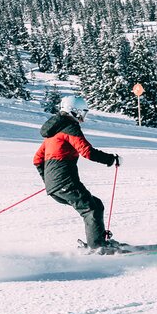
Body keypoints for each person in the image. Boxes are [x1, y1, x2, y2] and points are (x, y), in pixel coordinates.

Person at [33, 95, 123, 254]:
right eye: (82, 113)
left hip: (57, 185)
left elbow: (37, 159)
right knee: (90, 210)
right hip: (65, 182)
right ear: (73, 112)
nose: (83, 117)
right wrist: (110, 159)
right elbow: (87, 152)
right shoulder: (69, 127)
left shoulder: (53, 132)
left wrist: (49, 181)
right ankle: (98, 248)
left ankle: (99, 241)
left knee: (96, 204)